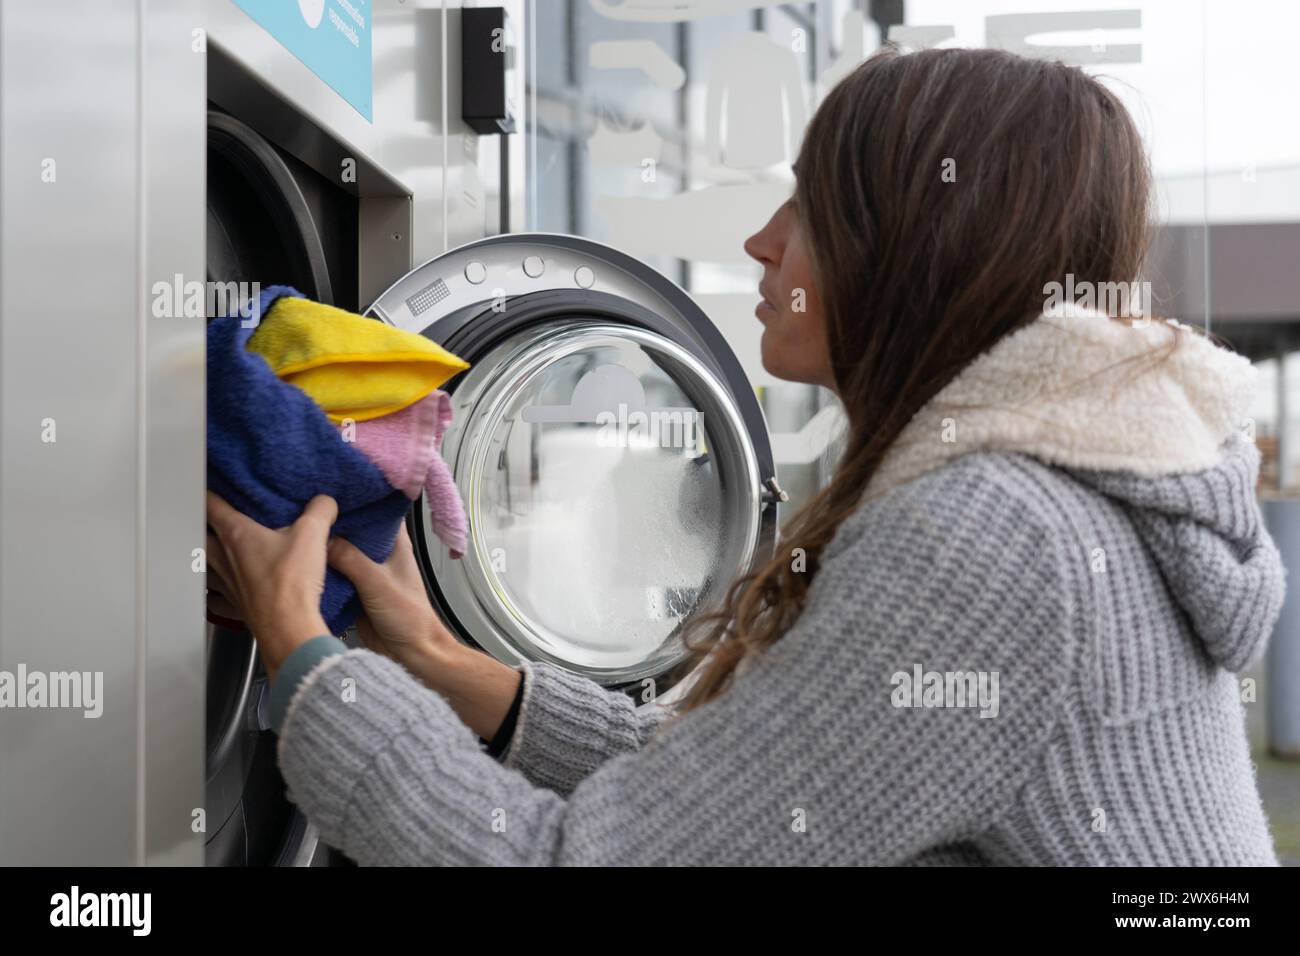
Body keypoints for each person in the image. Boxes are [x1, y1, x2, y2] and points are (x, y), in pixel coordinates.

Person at [205, 46, 1283, 866]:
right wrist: (440, 664)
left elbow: (563, 859)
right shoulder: (1066, 497)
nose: (763, 242)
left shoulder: (998, 538)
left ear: (916, 247)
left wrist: (305, 653)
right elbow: (757, 790)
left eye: (810, 205)